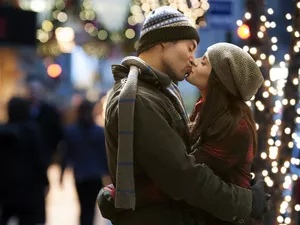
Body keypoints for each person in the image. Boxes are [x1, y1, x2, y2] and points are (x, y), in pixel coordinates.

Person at [98, 6, 269, 225]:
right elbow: (183, 176)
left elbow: (187, 171)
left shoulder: (159, 92)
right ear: (165, 41)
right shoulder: (139, 97)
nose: (192, 59)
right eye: (190, 48)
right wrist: (246, 202)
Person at [186, 43, 264, 225]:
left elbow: (189, 172)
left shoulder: (236, 127)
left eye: (204, 62)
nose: (193, 61)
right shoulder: (204, 111)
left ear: (219, 80)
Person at [60, 100, 111, 225]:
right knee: (90, 207)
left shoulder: (71, 131)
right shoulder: (98, 131)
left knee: (83, 206)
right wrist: (109, 173)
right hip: (95, 174)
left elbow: (66, 154)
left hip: (80, 175)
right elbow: (104, 154)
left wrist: (62, 173)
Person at [0, 97, 48, 225]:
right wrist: (45, 180)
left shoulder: (3, 131)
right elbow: (39, 158)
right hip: (30, 189)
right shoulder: (32, 131)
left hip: (6, 188)